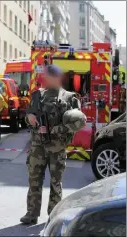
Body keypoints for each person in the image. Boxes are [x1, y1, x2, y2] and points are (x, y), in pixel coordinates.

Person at [20, 65, 86, 224]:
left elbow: (78, 123)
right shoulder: (36, 96)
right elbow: (28, 116)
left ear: (58, 78)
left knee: (56, 183)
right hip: (37, 147)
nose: (47, 79)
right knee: (34, 180)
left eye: (51, 76)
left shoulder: (70, 98)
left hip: (57, 147)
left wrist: (54, 129)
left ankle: (53, 215)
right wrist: (29, 119)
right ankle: (32, 213)